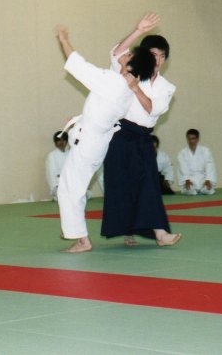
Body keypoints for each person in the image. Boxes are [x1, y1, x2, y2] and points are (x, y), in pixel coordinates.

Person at [54, 25, 156, 253]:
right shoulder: (126, 89)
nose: (124, 54)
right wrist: (138, 30)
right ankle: (73, 228)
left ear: (131, 65)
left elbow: (79, 66)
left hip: (89, 142)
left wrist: (64, 40)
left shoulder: (114, 83)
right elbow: (116, 55)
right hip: (95, 142)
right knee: (74, 187)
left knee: (70, 189)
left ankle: (81, 238)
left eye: (129, 55)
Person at [101, 13, 181, 248]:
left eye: (162, 56)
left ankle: (161, 233)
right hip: (120, 135)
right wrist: (138, 31)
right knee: (122, 185)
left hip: (143, 137)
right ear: (145, 55)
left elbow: (153, 109)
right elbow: (116, 54)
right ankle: (128, 231)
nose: (158, 60)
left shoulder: (167, 87)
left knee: (149, 185)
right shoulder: (131, 70)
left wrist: (136, 88)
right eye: (154, 54)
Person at [177, 129, 218, 195]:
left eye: (193, 138)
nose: (191, 141)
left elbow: (209, 165)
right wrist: (187, 180)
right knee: (190, 191)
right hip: (189, 179)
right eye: (189, 139)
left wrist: (208, 179)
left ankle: (203, 189)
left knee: (208, 190)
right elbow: (183, 167)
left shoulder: (205, 151)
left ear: (198, 139)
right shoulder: (182, 153)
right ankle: (193, 190)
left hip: (203, 178)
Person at [45, 131, 69, 201]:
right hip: (58, 185)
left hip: (70, 184)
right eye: (59, 140)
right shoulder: (52, 155)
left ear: (67, 142)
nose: (61, 142)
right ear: (55, 143)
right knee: (64, 198)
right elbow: (50, 174)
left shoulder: (70, 154)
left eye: (64, 140)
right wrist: (54, 188)